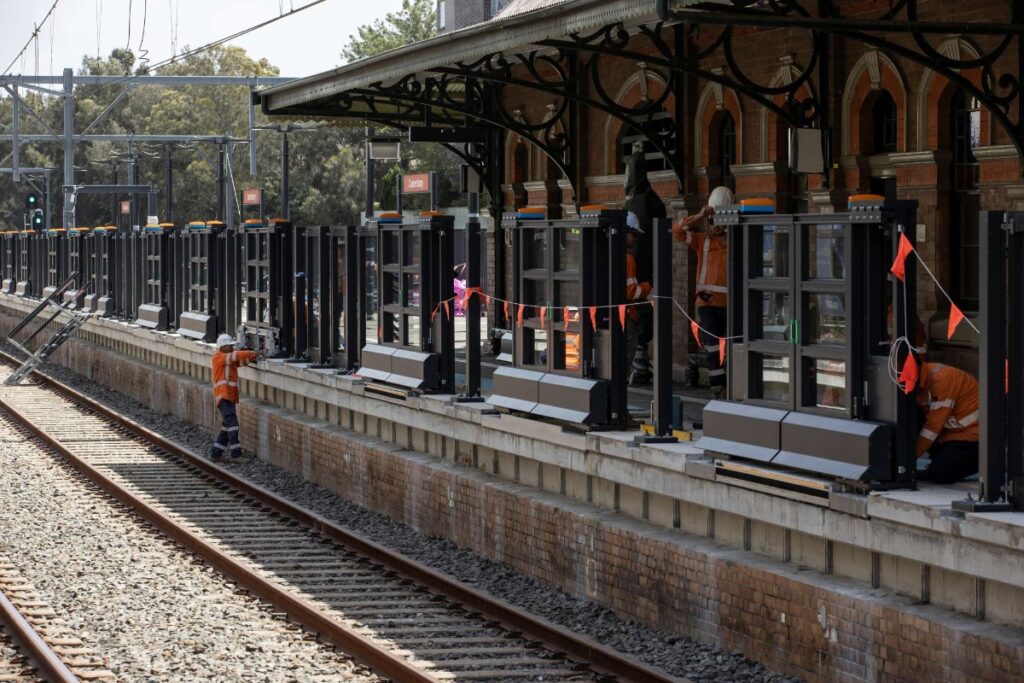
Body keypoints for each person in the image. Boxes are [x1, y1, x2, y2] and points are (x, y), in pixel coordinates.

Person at [673, 186, 734, 399]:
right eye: (711, 220)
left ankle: (732, 386)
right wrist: (700, 214)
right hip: (707, 304)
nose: (713, 224)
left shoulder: (736, 241)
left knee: (732, 346)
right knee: (711, 348)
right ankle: (718, 388)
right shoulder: (703, 240)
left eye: (717, 219)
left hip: (731, 304)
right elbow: (678, 231)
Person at [623, 144, 667, 386]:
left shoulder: (630, 204)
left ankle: (640, 366)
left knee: (638, 328)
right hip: (644, 277)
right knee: (639, 327)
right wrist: (649, 284)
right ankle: (639, 367)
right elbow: (633, 290)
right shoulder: (649, 201)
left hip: (637, 286)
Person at [916, 362, 979, 484]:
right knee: (913, 417)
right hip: (950, 433)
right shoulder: (923, 378)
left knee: (941, 472)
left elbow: (932, 429)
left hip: (972, 437)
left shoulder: (942, 379)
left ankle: (982, 461)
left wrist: (906, 462)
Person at [210, 334, 264, 463]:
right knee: (233, 425)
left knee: (227, 426)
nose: (232, 348)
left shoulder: (227, 359)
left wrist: (252, 357)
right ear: (223, 346)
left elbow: (239, 361)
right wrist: (252, 352)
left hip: (228, 397)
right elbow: (236, 356)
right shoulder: (219, 357)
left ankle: (216, 453)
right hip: (224, 397)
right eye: (230, 345)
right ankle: (236, 455)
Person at [625, 213, 653, 375]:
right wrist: (648, 287)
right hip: (626, 315)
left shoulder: (609, 253)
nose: (635, 239)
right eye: (633, 234)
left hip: (618, 314)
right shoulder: (628, 259)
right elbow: (632, 291)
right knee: (626, 354)